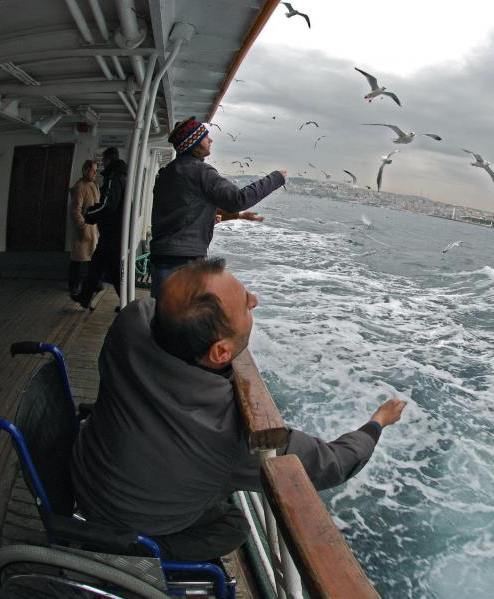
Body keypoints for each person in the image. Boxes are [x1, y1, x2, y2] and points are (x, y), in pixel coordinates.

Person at [70, 258, 406, 563]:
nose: (255, 301)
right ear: (220, 353)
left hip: (85, 478)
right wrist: (377, 423)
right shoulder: (237, 432)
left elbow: (159, 308)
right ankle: (131, 557)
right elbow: (333, 464)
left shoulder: (130, 324)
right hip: (132, 527)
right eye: (246, 305)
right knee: (233, 525)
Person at [149, 117, 286, 298]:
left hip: (160, 256)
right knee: (182, 320)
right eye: (206, 137)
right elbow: (238, 199)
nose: (211, 140)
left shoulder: (166, 173)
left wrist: (237, 216)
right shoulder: (200, 172)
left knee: (161, 314)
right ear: (194, 144)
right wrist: (276, 178)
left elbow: (185, 210)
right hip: (184, 261)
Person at [74, 147, 127, 309]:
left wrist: (90, 214)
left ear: (108, 160)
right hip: (115, 233)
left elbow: (107, 205)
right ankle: (85, 297)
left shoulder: (113, 177)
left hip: (112, 234)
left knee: (111, 271)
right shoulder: (122, 177)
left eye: (103, 162)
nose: (101, 167)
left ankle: (126, 303)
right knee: (98, 266)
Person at [68, 160, 99, 298]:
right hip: (83, 231)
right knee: (78, 261)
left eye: (96, 170)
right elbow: (75, 211)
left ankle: (87, 287)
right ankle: (74, 288)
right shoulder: (79, 187)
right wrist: (83, 226)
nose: (95, 173)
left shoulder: (94, 185)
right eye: (93, 170)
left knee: (89, 260)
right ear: (85, 170)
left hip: (93, 230)